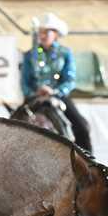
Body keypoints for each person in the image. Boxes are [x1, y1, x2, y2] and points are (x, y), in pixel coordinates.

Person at [21, 13, 93, 153]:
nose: (42, 35)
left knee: (82, 126)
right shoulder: (30, 55)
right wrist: (34, 93)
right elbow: (25, 83)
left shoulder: (65, 53)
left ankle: (87, 160)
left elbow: (70, 80)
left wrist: (55, 92)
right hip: (34, 98)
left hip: (59, 97)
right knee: (15, 125)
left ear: (55, 34)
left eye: (46, 32)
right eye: (41, 32)